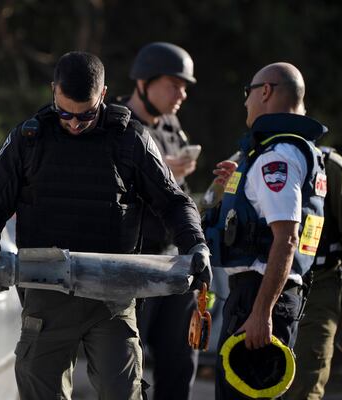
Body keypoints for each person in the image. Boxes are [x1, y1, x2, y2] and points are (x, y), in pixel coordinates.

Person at [0, 51, 211, 400]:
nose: (75, 123)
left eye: (87, 115)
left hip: (112, 296)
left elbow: (174, 201)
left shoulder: (130, 139)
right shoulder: (28, 140)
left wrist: (195, 244)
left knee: (122, 391)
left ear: (104, 94)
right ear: (53, 92)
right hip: (46, 294)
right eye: (65, 114)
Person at [203, 62, 327, 399]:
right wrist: (230, 187)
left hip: (259, 298)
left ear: (266, 92)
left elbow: (286, 239)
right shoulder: (286, 153)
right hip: (261, 296)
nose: (246, 103)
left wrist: (261, 313)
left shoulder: (278, 158)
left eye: (249, 93)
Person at [114, 42, 200, 400]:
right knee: (125, 368)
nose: (181, 93)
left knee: (180, 361)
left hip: (173, 261)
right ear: (144, 82)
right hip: (132, 263)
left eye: (185, 86)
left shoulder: (172, 127)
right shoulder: (115, 124)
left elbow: (179, 200)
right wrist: (156, 169)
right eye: (173, 84)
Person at [286, 148, 342, 399]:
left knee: (305, 383)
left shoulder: (331, 168)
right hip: (261, 285)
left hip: (319, 286)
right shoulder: (250, 158)